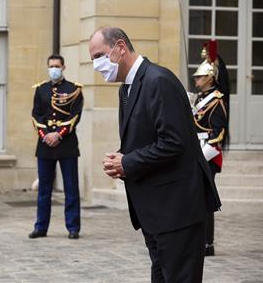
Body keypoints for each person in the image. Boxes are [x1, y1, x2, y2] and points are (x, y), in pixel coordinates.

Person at [89, 27, 221, 282]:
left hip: (177, 209)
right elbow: (145, 138)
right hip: (155, 210)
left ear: (120, 47)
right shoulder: (126, 88)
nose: (96, 65)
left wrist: (128, 162)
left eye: (99, 56)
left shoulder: (158, 80)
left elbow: (174, 141)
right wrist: (120, 158)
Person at [29, 54, 84, 239]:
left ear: (63, 67)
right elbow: (36, 116)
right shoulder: (41, 89)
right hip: (45, 144)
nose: (54, 69)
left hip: (66, 144)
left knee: (71, 187)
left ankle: (73, 227)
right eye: (51, 66)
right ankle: (41, 227)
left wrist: (58, 135)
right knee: (44, 189)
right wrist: (46, 135)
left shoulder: (74, 89)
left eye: (57, 66)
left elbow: (75, 116)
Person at [192, 40, 229, 256]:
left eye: (199, 76)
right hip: (197, 151)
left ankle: (207, 243)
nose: (196, 79)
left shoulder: (216, 101)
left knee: (205, 198)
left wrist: (202, 157)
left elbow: (218, 134)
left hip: (208, 153)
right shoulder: (201, 98)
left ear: (209, 78)